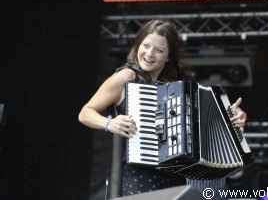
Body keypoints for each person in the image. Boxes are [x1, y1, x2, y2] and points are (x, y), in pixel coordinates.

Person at [78, 19, 247, 198]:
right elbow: (85, 112)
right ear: (137, 45)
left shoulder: (172, 88)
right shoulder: (126, 76)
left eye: (159, 50)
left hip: (174, 175)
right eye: (145, 46)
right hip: (140, 176)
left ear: (168, 57)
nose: (149, 54)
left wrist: (229, 118)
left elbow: (199, 126)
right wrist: (109, 123)